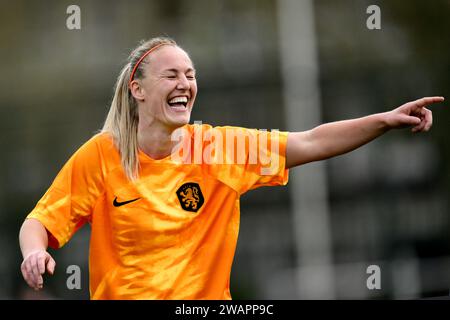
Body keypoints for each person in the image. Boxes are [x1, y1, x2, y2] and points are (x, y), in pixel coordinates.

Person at [18, 36, 444, 299]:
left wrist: (384, 120)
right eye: (171, 75)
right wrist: (35, 253)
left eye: (190, 74)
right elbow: (39, 221)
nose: (185, 84)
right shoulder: (101, 155)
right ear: (138, 90)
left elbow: (310, 141)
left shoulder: (219, 148)